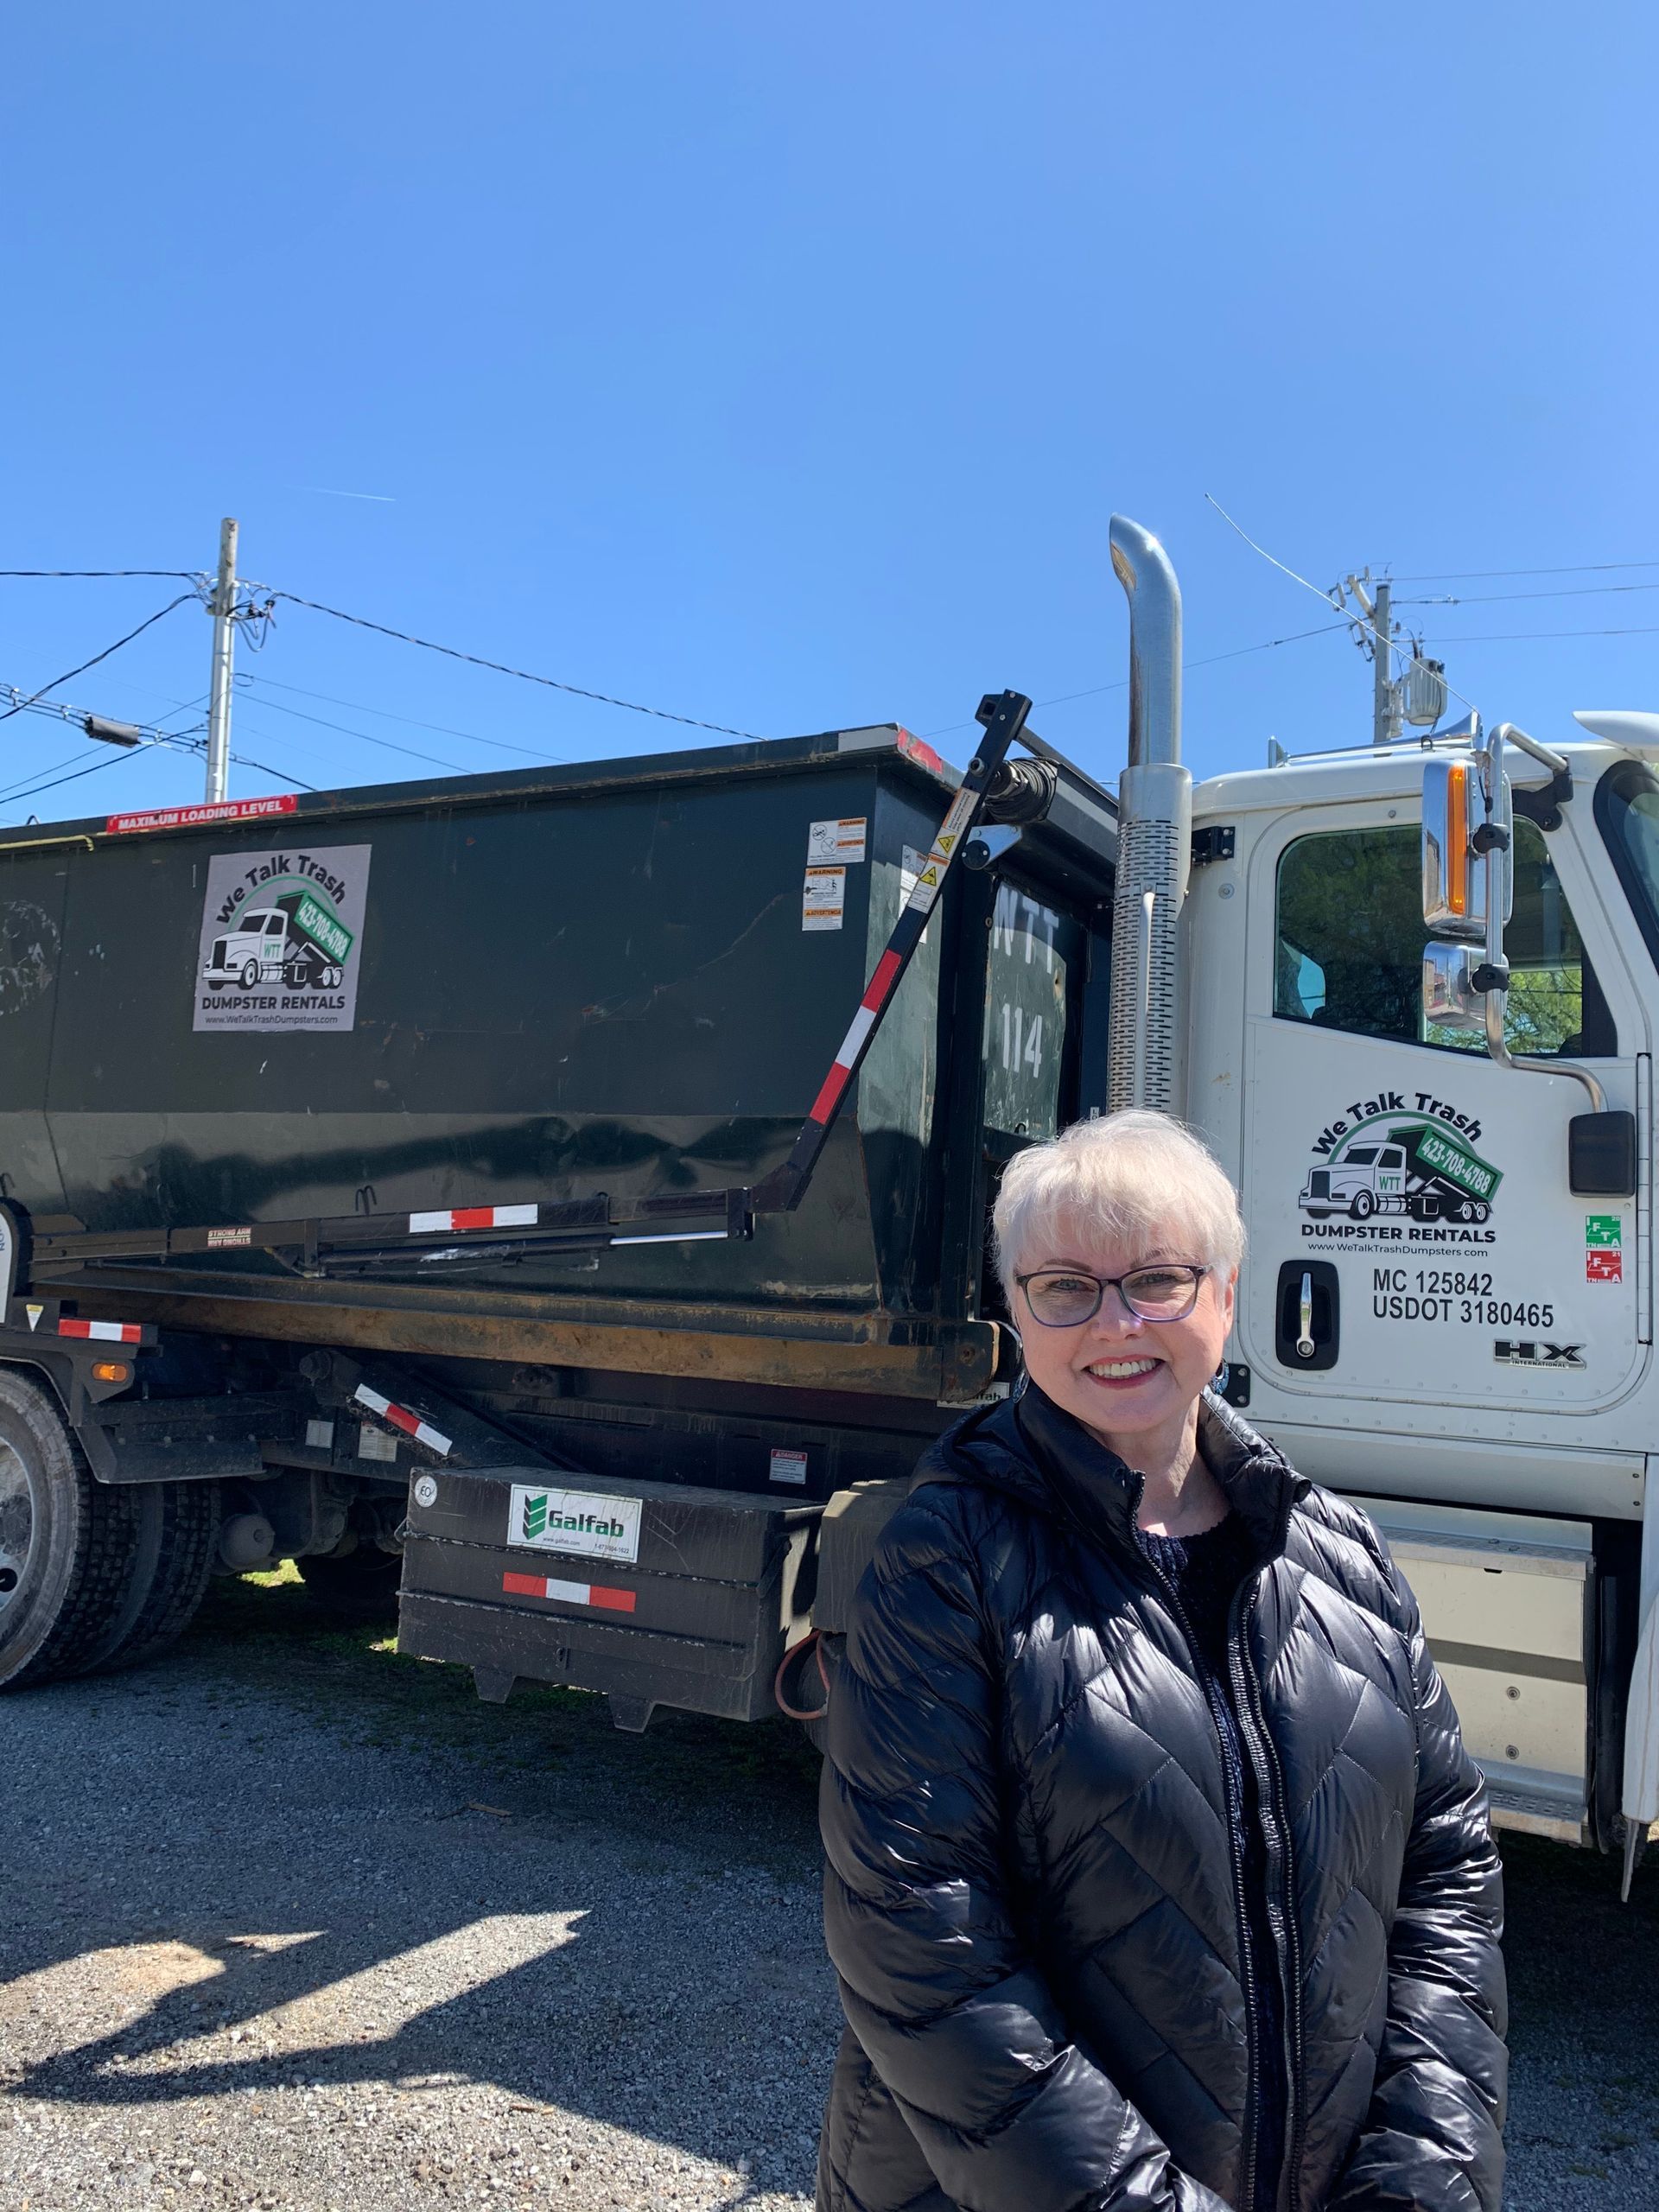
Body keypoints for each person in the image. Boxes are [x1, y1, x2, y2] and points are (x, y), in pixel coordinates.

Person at [817, 1109, 1506, 2212]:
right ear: (1019, 1313)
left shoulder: (1343, 1556)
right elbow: (919, 1933)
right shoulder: (944, 1559)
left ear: (1227, 1296)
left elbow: (1447, 1870)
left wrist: (1420, 2177)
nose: (1115, 1321)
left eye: (1157, 1279)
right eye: (1065, 1288)